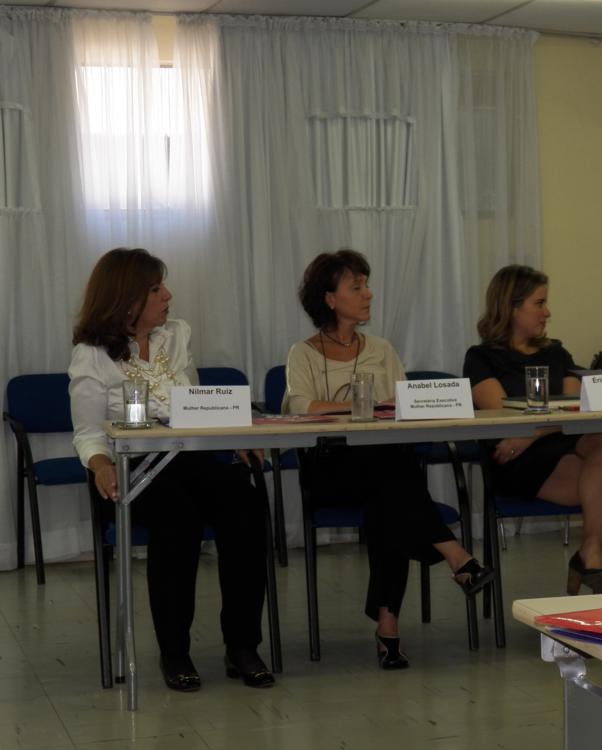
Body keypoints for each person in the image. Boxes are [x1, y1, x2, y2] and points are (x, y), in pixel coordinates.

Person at [69, 247, 274, 692]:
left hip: (188, 456)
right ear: (127, 299)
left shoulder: (176, 335)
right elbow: (86, 434)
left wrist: (236, 438)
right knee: (177, 518)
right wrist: (101, 466)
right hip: (134, 466)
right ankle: (175, 652)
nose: (168, 295)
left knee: (244, 503)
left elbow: (196, 407)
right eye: (156, 289)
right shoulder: (92, 354)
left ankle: (242, 645)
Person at [283, 249, 494, 670]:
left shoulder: (381, 349)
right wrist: (361, 407)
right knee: (395, 481)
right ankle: (455, 555)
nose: (368, 294)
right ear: (330, 299)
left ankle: (388, 625)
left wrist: (377, 409)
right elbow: (301, 406)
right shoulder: (302, 353)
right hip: (330, 469)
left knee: (389, 498)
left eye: (366, 285)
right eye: (356, 287)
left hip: (383, 467)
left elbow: (403, 406)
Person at [463, 265, 602, 595]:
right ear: (512, 307)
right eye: (539, 303)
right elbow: (505, 417)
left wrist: (533, 433)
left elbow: (574, 409)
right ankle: (598, 583)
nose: (547, 312)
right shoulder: (481, 358)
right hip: (516, 460)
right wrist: (535, 431)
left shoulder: (556, 353)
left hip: (552, 442)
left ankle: (590, 552)